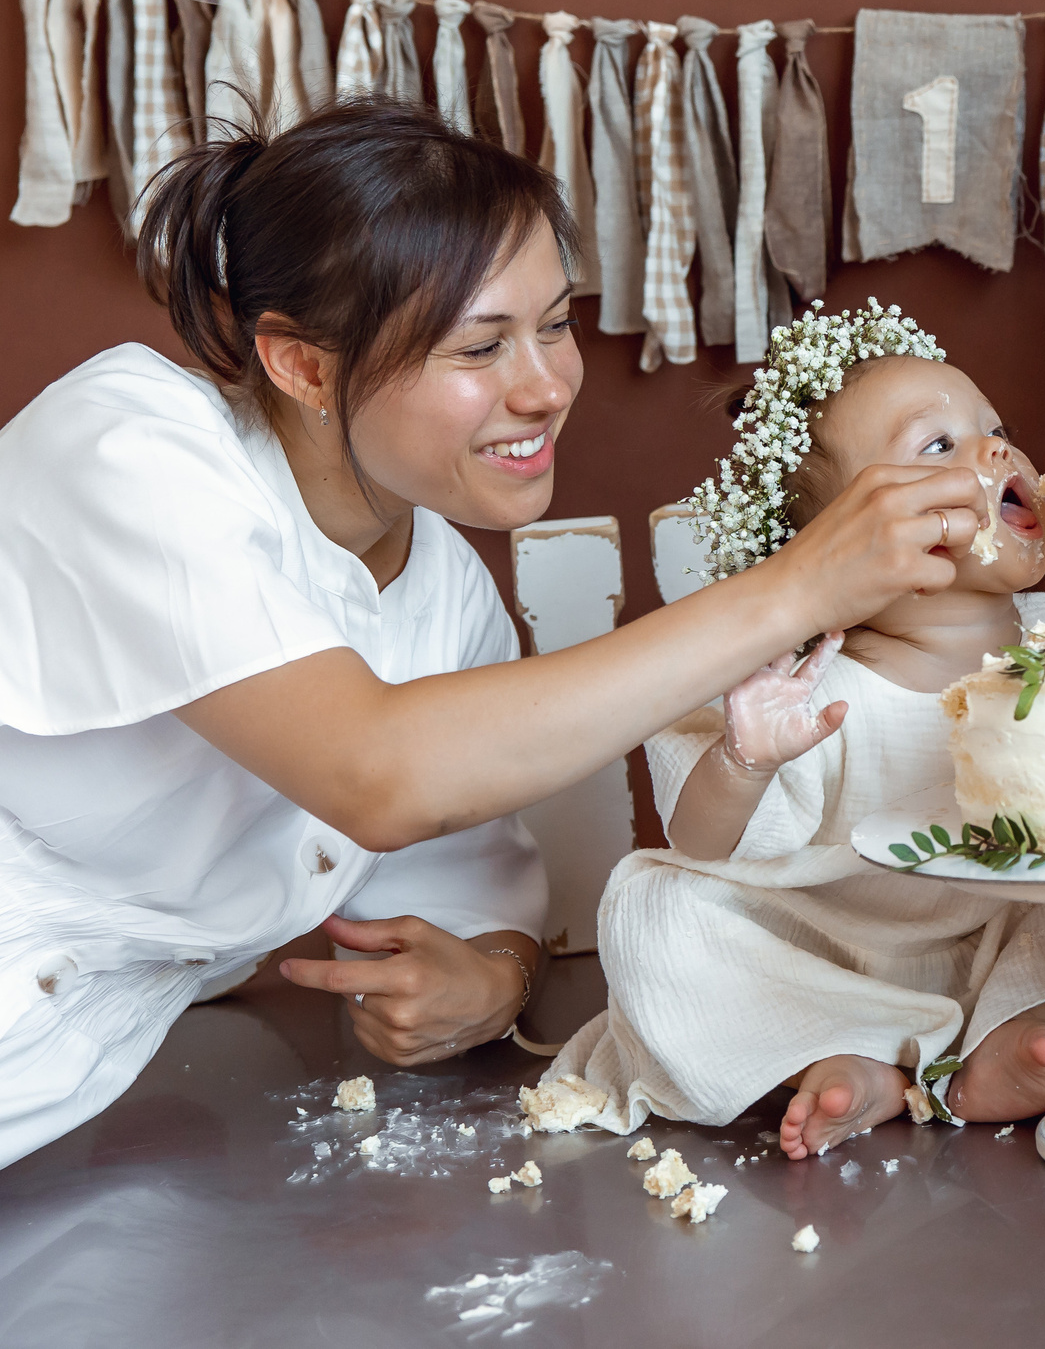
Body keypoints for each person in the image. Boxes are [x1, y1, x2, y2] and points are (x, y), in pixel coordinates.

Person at [0, 103, 987, 1169]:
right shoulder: (130, 443)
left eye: (554, 325)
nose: (544, 388)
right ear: (301, 366)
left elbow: (471, 878)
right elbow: (378, 771)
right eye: (480, 346)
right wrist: (794, 589)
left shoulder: (446, 594)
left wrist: (493, 976)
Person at [543, 306, 1045, 1154]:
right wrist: (744, 757)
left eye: (995, 428)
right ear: (837, 544)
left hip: (1010, 935)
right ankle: (838, 1059)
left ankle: (992, 1047)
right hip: (832, 953)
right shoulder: (816, 687)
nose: (997, 451)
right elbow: (703, 844)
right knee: (655, 911)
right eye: (939, 446)